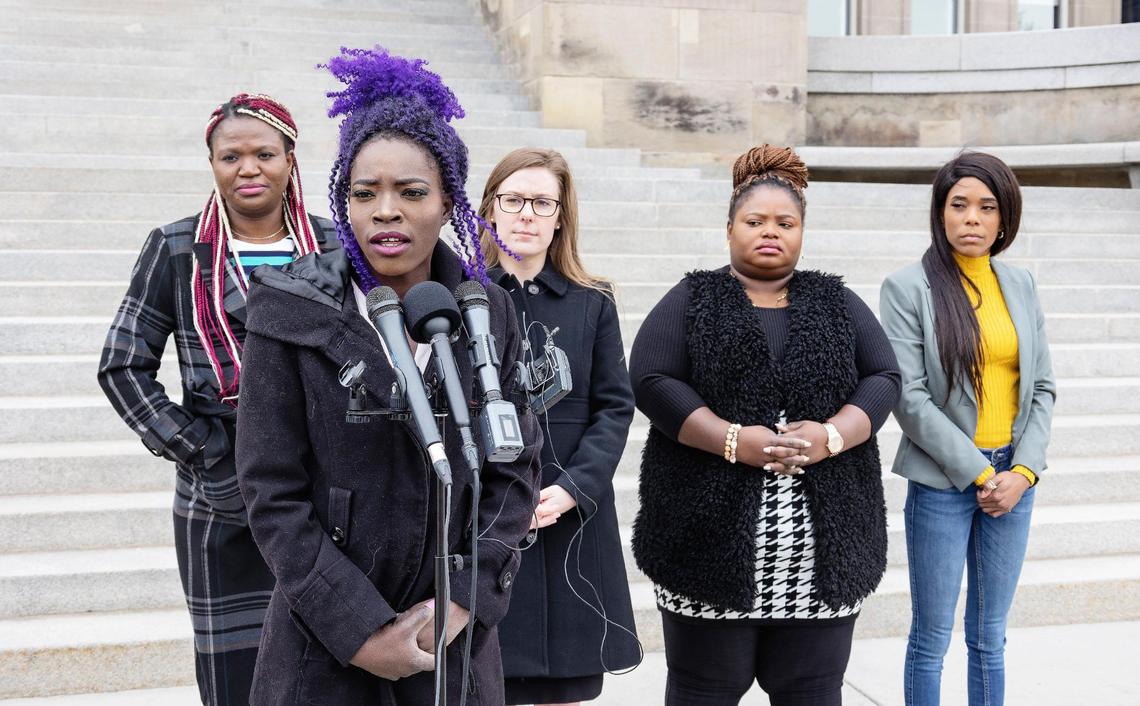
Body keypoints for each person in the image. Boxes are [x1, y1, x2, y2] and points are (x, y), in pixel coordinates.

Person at [233, 47, 542, 705]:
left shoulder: (492, 316)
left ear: (448, 201)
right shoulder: (289, 314)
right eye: (363, 193)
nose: (385, 211)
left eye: (411, 192)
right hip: (324, 655)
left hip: (453, 655)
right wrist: (360, 632)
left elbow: (514, 473)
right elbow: (270, 492)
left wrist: (463, 603)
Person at [628, 144, 901, 706]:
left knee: (813, 693)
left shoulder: (837, 301)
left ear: (803, 231)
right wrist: (731, 439)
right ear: (729, 228)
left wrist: (831, 436)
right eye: (755, 221)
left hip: (821, 562)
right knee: (703, 691)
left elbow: (884, 377)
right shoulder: (693, 298)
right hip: (707, 550)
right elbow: (651, 378)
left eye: (786, 222)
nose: (770, 232)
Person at [97, 93, 334, 706]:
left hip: (325, 489)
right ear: (212, 163)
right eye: (231, 156)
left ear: (290, 159)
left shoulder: (335, 248)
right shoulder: (177, 249)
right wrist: (204, 453)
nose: (247, 168)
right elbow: (123, 367)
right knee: (238, 677)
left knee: (331, 662)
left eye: (263, 153)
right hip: (220, 497)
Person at [880, 152, 1055, 706]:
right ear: (941, 212)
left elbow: (1043, 388)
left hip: (1015, 480)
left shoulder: (1020, 283)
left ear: (1005, 218)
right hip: (943, 482)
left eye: (986, 207)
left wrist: (1022, 472)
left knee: (989, 637)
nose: (972, 219)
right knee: (932, 638)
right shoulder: (909, 287)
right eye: (959, 206)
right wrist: (982, 474)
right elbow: (908, 397)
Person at [477, 147, 641, 705]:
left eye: (541, 202)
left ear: (560, 217)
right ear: (490, 211)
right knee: (484, 677)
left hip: (570, 516)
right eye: (513, 199)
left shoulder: (593, 303)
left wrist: (572, 490)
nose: (526, 213)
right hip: (487, 517)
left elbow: (615, 408)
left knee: (564, 687)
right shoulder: (461, 300)